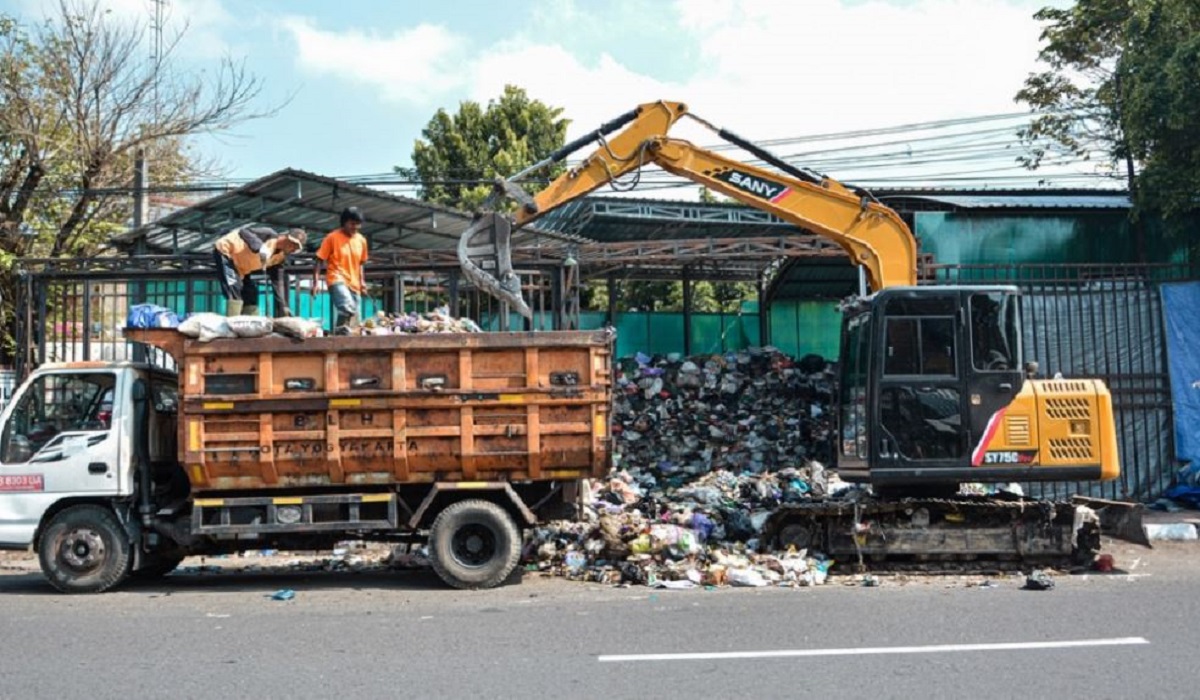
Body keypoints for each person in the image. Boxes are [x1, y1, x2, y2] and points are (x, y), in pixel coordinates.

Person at [213, 225, 307, 317]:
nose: (293, 249)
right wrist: (259, 247)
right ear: (286, 237)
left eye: (296, 248)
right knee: (234, 287)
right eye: (293, 244)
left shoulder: (279, 258)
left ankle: (250, 326)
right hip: (226, 252)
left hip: (242, 267)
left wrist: (283, 305)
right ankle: (232, 324)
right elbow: (244, 231)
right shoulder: (268, 234)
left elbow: (278, 282)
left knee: (251, 293)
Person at [315, 207, 369, 333]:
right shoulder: (332, 238)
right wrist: (316, 282)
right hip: (336, 278)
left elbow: (361, 263)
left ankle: (342, 339)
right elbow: (319, 260)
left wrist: (362, 282)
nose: (355, 227)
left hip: (354, 283)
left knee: (355, 319)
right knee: (347, 307)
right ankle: (339, 335)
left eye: (358, 224)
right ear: (344, 222)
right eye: (352, 223)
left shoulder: (361, 240)